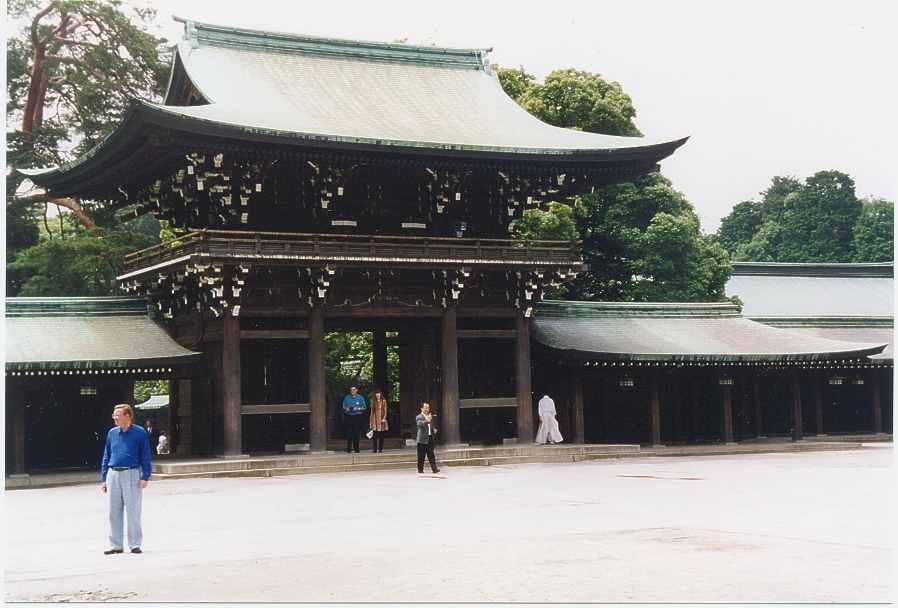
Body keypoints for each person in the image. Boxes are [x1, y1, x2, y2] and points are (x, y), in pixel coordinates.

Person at [100, 403, 152, 555]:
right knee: (113, 511)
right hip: (113, 474)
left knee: (133, 510)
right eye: (114, 415)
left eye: (118, 415)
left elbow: (145, 455)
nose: (114, 417)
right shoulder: (112, 433)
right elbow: (106, 455)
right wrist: (104, 478)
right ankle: (116, 545)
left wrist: (145, 476)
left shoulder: (139, 433)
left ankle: (135, 544)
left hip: (132, 473)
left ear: (128, 416)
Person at [415, 402, 440, 474]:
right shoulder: (419, 416)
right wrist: (426, 420)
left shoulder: (430, 416)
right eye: (425, 407)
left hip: (430, 438)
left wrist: (433, 429)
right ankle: (420, 470)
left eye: (428, 408)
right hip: (422, 440)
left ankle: (434, 469)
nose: (427, 409)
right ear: (422, 408)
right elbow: (419, 424)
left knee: (431, 455)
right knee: (421, 456)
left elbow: (430, 424)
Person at [341, 385, 368, 453]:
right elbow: (343, 406)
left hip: (357, 417)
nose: (352, 391)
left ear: (356, 390)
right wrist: (346, 408)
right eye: (351, 390)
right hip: (349, 416)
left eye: (353, 390)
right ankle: (349, 449)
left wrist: (357, 408)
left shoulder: (360, 397)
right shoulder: (347, 397)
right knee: (349, 433)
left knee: (356, 433)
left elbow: (364, 407)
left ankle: (356, 449)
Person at [368, 388, 389, 453]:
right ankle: (374, 449)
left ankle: (380, 449)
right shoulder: (373, 401)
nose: (378, 395)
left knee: (381, 435)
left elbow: (385, 411)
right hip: (375, 420)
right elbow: (372, 412)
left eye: (378, 394)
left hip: (382, 420)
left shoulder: (384, 401)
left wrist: (384, 418)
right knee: (375, 436)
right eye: (376, 394)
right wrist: (370, 421)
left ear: (380, 394)